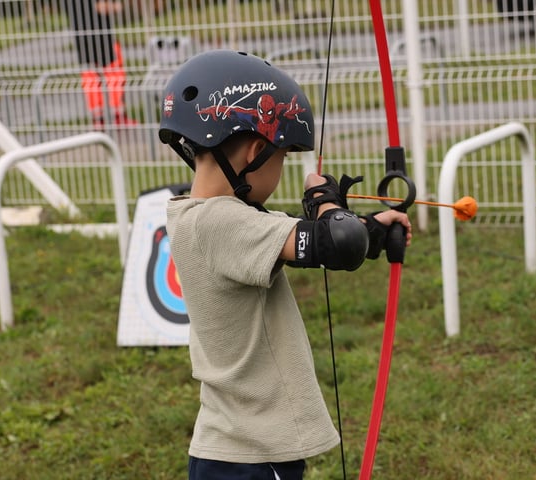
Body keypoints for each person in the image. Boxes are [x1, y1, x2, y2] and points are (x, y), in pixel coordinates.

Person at [158, 50, 412, 480]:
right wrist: (324, 200)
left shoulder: (205, 217)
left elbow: (309, 240)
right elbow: (335, 242)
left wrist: (371, 230)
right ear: (256, 151)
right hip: (250, 455)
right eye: (282, 156)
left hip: (232, 450)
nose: (281, 169)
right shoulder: (221, 221)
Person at [65, 0, 136, 127]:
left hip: (82, 36)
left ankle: (98, 118)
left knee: (90, 77)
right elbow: (101, 7)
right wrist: (115, 6)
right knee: (113, 73)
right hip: (101, 37)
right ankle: (117, 115)